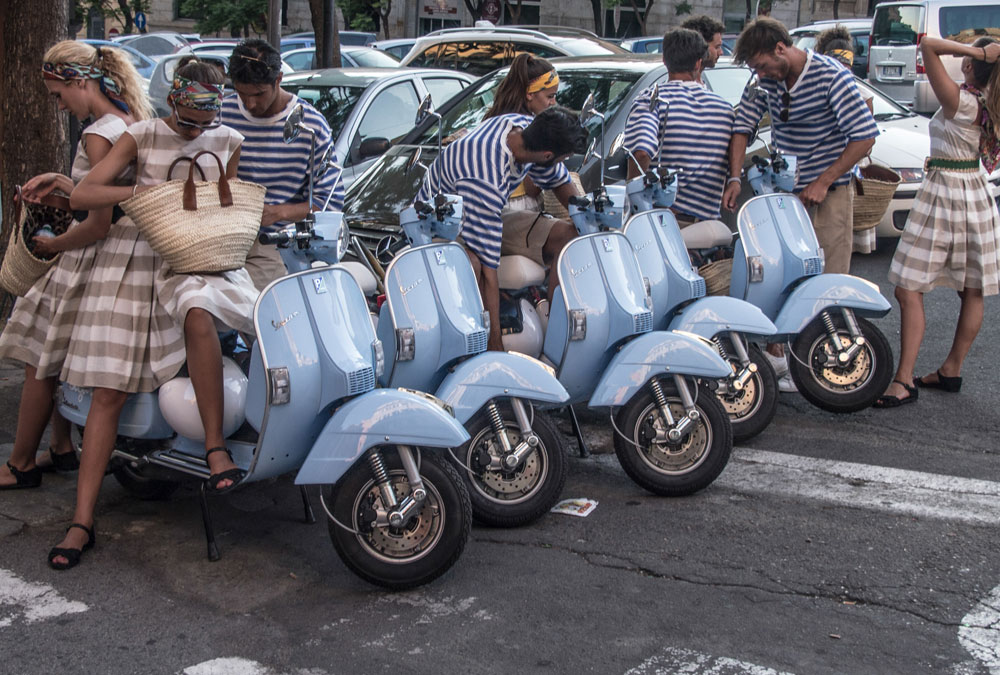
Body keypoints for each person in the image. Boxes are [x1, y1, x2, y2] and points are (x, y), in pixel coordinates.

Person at [49, 60, 256, 570]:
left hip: (198, 258)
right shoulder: (140, 134)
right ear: (172, 103)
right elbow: (83, 193)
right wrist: (139, 193)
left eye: (204, 122)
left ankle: (215, 448)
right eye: (188, 121)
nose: (195, 131)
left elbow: (224, 207)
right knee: (109, 391)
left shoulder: (227, 140)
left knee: (221, 319)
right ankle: (81, 521)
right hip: (135, 262)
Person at [0, 41, 150, 490]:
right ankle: (62, 448)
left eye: (58, 93)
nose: (59, 104)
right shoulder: (128, 119)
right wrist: (63, 183)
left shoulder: (97, 133)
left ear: (79, 81)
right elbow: (99, 194)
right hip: (120, 258)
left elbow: (99, 222)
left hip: (90, 259)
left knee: (38, 361)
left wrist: (53, 245)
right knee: (62, 360)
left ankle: (21, 464)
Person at [724, 18, 878, 392]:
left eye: (761, 65)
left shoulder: (831, 77)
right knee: (782, 276)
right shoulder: (766, 80)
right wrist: (734, 176)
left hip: (829, 194)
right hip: (785, 196)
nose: (759, 74)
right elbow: (742, 125)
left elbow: (864, 137)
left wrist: (823, 181)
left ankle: (819, 363)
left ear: (781, 48)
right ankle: (780, 356)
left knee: (825, 281)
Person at [874, 37, 1000, 408]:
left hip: (945, 194)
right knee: (972, 289)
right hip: (975, 193)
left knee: (908, 287)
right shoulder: (989, 101)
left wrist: (978, 52)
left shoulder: (961, 102)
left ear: (971, 66)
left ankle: (903, 381)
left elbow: (928, 45)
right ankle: (951, 369)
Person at [415, 106, 587, 350]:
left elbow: (559, 181)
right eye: (563, 158)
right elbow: (488, 270)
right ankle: (471, 348)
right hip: (439, 226)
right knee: (473, 265)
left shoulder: (528, 127)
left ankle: (557, 334)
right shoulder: (486, 177)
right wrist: (495, 342)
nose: (563, 162)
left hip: (482, 212)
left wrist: (585, 219)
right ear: (548, 155)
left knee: (571, 236)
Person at [221, 39, 343, 291]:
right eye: (242, 94)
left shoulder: (311, 126)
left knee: (253, 302)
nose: (250, 104)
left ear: (278, 80)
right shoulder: (223, 112)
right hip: (225, 236)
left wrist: (279, 213)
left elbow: (329, 203)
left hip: (276, 243)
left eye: (258, 94)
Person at [483, 53, 577, 308]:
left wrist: (583, 211)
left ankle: (553, 314)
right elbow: (557, 181)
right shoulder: (523, 130)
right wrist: (583, 214)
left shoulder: (524, 124)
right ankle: (556, 316)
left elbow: (555, 177)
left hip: (507, 218)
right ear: (529, 94)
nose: (554, 103)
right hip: (490, 219)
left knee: (570, 235)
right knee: (571, 235)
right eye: (550, 96)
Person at [624, 28, 735, 227]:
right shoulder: (725, 109)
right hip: (708, 225)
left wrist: (635, 201)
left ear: (665, 61)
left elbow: (641, 152)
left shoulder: (652, 100)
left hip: (666, 223)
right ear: (699, 63)